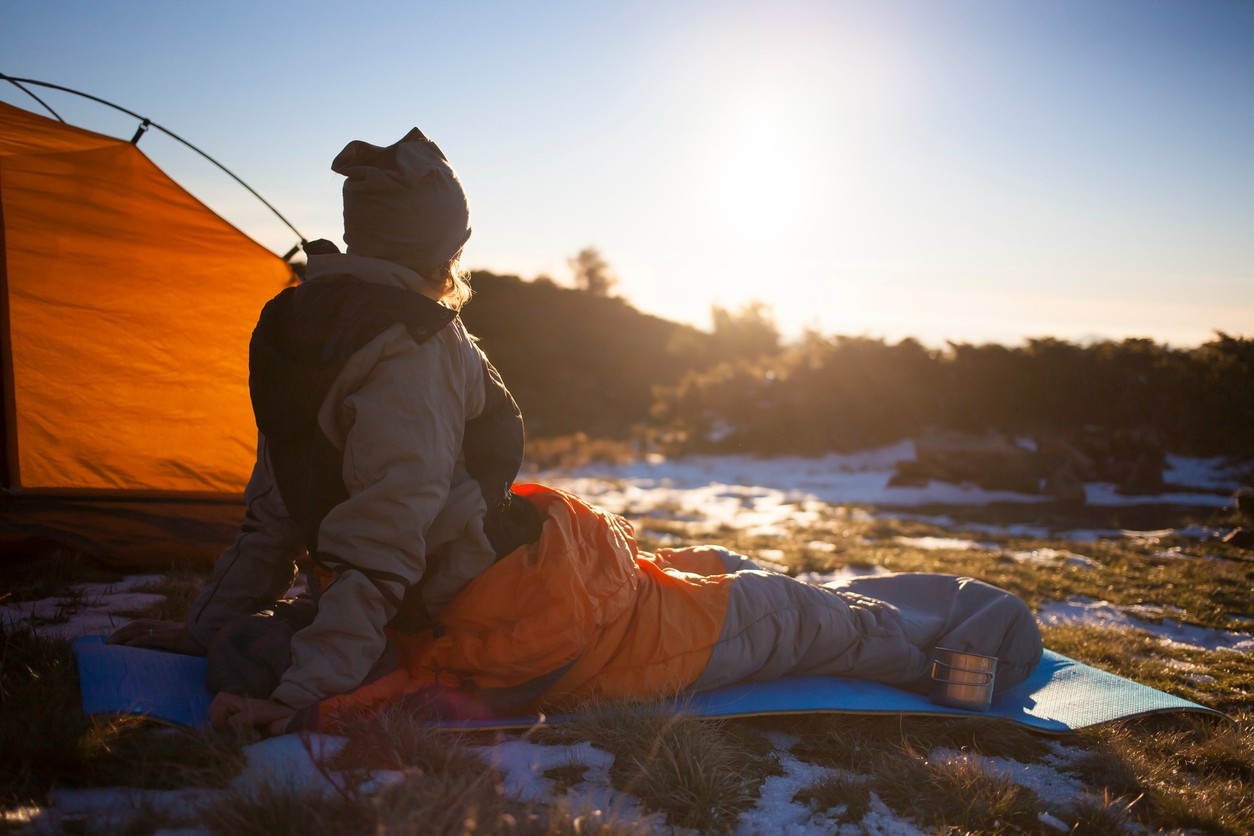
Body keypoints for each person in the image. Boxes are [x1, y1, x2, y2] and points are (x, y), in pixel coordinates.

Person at [110, 128, 1042, 736]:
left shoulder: (297, 328)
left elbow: (275, 510)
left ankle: (817, 603)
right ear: (439, 244)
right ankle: (950, 656)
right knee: (795, 619)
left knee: (717, 560)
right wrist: (298, 697)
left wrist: (214, 630)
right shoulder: (411, 348)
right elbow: (381, 539)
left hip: (527, 574)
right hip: (533, 622)